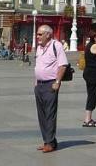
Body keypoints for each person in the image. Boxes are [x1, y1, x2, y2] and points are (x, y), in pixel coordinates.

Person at [32, 25, 68, 154]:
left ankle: (50, 142)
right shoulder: (39, 48)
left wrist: (57, 81)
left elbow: (63, 65)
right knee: (41, 114)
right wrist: (36, 82)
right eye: (37, 34)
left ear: (48, 34)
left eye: (40, 34)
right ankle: (48, 141)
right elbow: (38, 65)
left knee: (50, 114)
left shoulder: (56, 46)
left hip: (50, 84)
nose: (37, 37)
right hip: (39, 85)